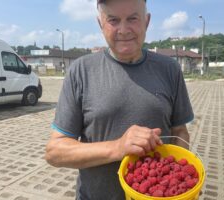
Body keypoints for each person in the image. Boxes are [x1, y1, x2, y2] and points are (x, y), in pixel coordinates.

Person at [45, 0, 194, 199]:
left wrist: (180, 178)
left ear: (147, 22)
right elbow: (55, 152)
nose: (123, 30)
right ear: (100, 23)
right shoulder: (80, 71)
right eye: (113, 20)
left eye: (133, 18)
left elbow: (179, 132)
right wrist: (117, 147)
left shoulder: (170, 70)